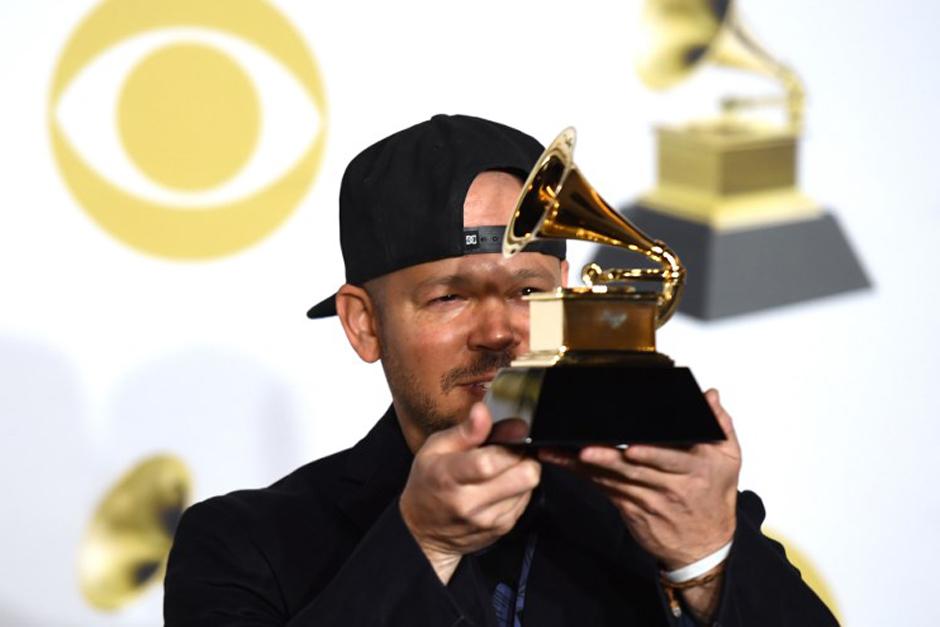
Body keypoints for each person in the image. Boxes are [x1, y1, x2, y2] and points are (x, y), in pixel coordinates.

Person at [164, 114, 838, 626]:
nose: (500, 332)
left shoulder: (673, 511)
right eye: (450, 296)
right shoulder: (242, 544)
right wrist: (419, 545)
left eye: (529, 291)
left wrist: (705, 558)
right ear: (364, 323)